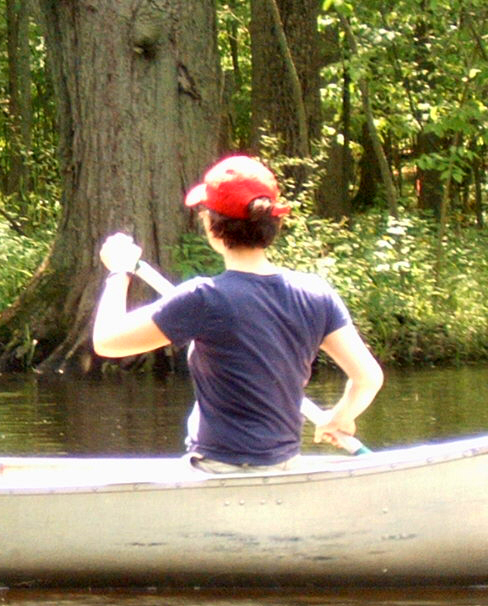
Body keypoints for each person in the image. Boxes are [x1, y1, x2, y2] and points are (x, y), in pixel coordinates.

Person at [92, 154, 383, 473]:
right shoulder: (315, 293)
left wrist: (118, 272)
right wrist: (339, 417)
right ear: (276, 222)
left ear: (211, 226)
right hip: (285, 466)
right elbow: (368, 378)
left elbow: (106, 342)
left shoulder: (204, 298)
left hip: (218, 469)